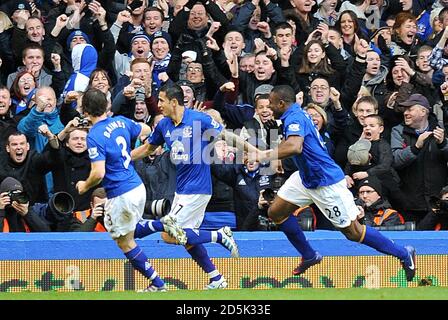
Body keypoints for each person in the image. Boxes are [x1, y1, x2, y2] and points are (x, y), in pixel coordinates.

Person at [253, 85, 417, 281]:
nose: (269, 107)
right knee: (276, 212)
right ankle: (309, 255)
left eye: (271, 103)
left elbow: (295, 146)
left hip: (325, 182)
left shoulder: (295, 117)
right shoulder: (293, 114)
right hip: (306, 177)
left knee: (353, 233)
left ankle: (403, 253)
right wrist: (278, 131)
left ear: (281, 103)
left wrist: (265, 154)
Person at [131, 84, 258, 289]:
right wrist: (125, 158)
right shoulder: (164, 125)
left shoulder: (199, 119)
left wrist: (253, 150)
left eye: (161, 100)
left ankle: (219, 235)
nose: (159, 105)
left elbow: (226, 136)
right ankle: (216, 278)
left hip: (198, 188)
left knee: (169, 235)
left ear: (174, 102)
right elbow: (149, 147)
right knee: (188, 239)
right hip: (182, 189)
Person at [76, 88, 186, 292]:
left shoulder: (94, 135)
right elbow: (144, 129)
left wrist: (84, 185)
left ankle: (157, 283)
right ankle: (161, 224)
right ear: (106, 106)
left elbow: (98, 173)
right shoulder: (120, 121)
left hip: (121, 192)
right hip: (137, 186)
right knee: (128, 232)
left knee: (124, 242)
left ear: (86, 111)